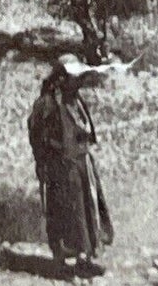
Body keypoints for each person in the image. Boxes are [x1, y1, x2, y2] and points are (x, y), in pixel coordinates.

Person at [28, 54, 114, 274]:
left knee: (87, 208)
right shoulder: (47, 104)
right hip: (62, 167)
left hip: (81, 163)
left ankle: (84, 256)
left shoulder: (75, 101)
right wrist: (44, 162)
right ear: (61, 78)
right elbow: (37, 134)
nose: (78, 82)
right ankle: (63, 259)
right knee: (66, 210)